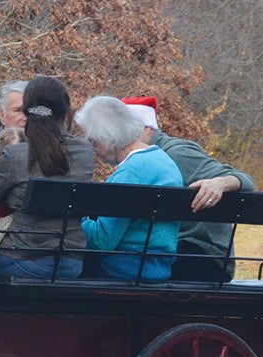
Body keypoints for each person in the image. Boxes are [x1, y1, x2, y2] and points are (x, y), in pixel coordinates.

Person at [0, 75, 95, 279]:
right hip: (71, 262)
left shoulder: (16, 156)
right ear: (65, 111)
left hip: (23, 258)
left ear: (28, 112)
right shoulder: (85, 152)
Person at [122, 96, 255, 282]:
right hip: (174, 252)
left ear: (148, 128)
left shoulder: (176, 153)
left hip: (203, 255)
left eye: (125, 131)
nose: (120, 138)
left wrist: (219, 183)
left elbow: (246, 181)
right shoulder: (139, 160)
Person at [74, 96, 184, 281]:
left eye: (94, 141)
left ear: (108, 137)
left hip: (125, 266)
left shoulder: (130, 174)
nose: (93, 148)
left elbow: (101, 241)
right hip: (158, 264)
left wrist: (77, 214)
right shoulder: (164, 160)